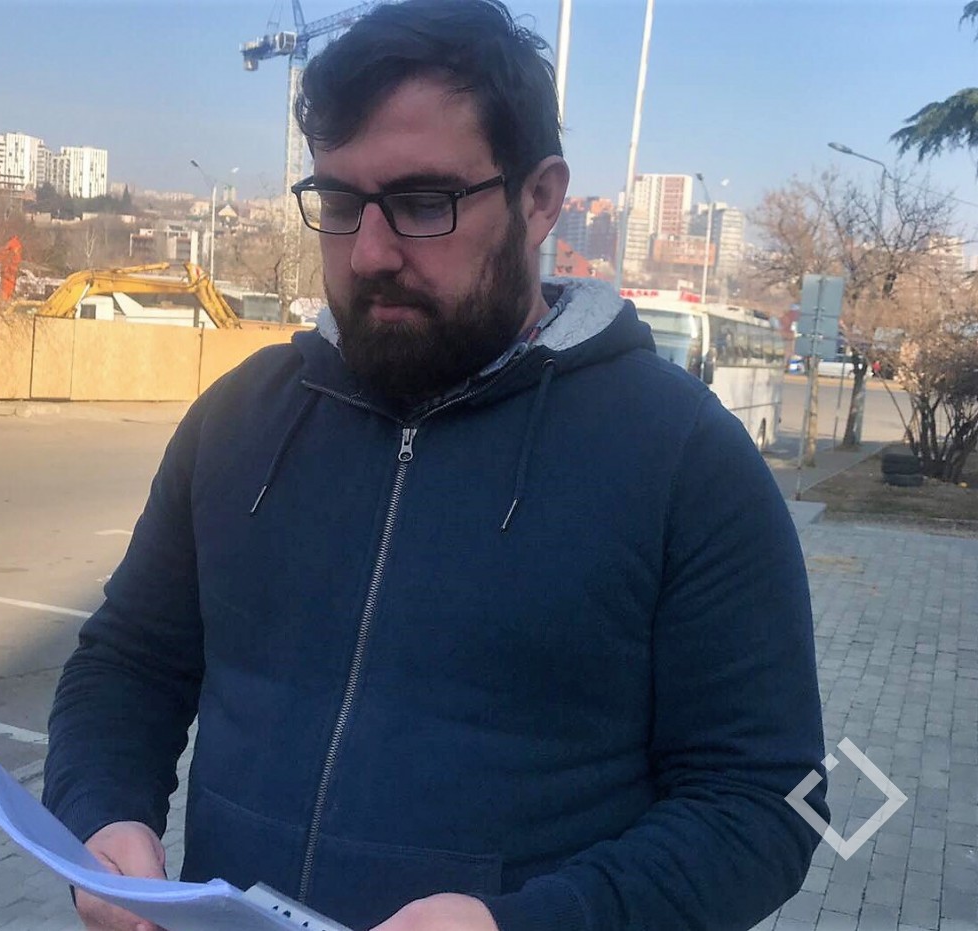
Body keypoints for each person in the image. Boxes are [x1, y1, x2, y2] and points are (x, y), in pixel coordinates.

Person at [42, 2, 830, 929]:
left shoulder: (686, 461)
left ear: (540, 199)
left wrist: (527, 923)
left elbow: (769, 803)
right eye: (340, 203)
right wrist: (102, 815)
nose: (370, 252)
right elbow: (126, 664)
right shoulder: (238, 420)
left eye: (424, 203)